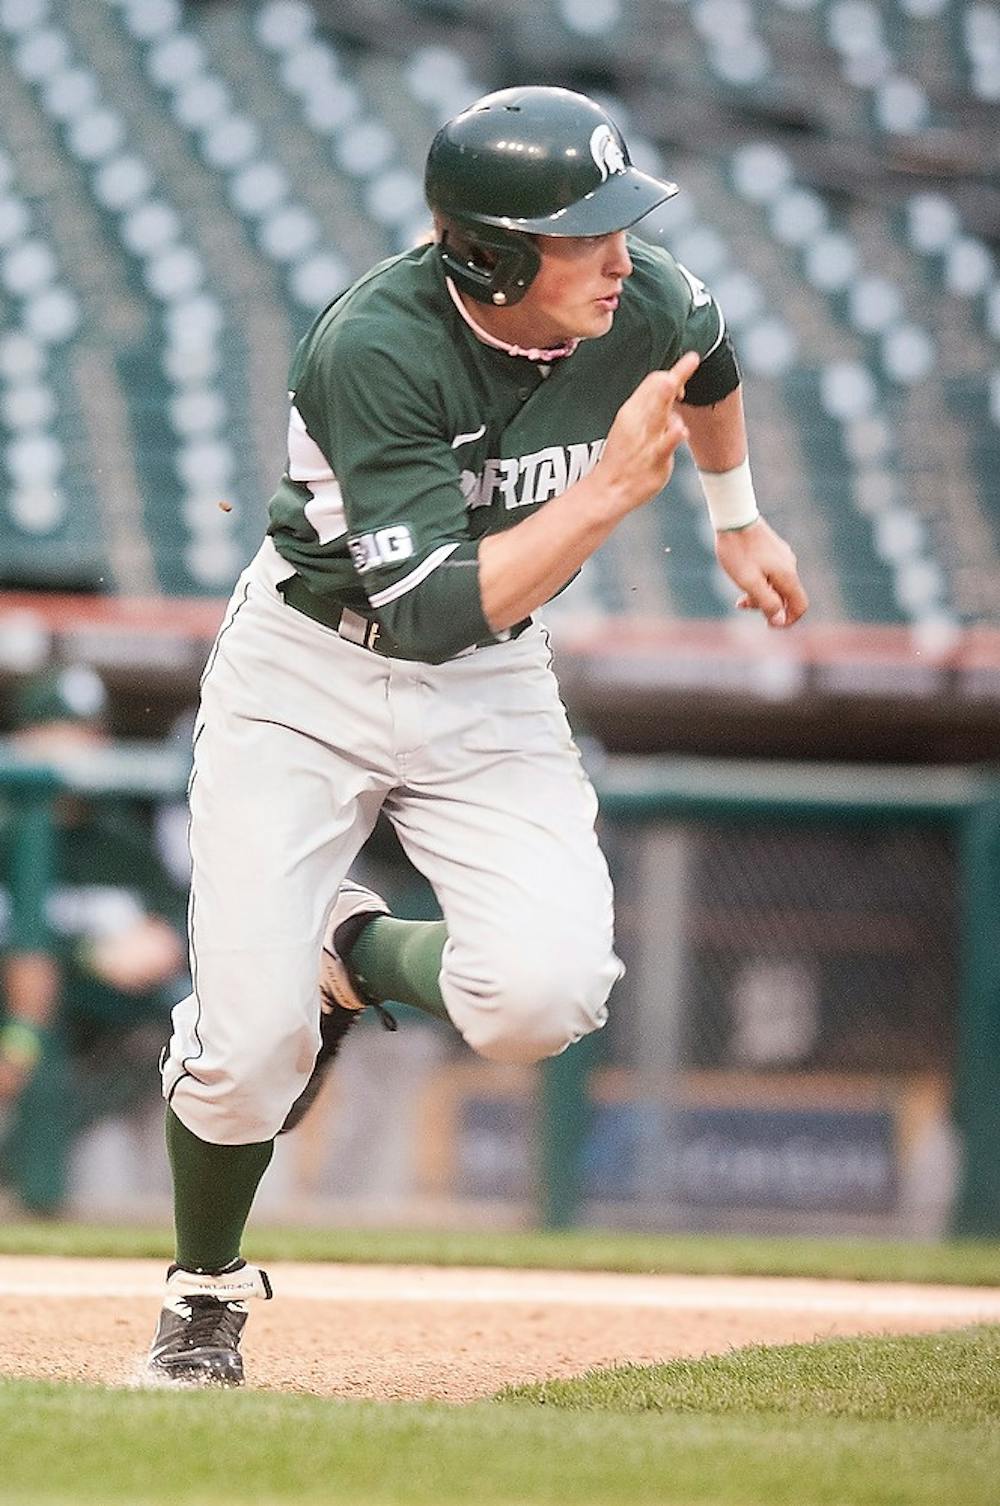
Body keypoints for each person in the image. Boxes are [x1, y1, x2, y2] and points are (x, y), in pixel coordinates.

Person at [147, 84, 807, 1385]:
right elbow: (437, 607)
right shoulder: (375, 345)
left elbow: (709, 361)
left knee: (543, 999)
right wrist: (618, 493)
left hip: (488, 681)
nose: (623, 257)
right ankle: (204, 1287)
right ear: (493, 254)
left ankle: (355, 952)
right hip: (309, 669)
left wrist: (735, 515)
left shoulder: (645, 295)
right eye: (585, 235)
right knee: (243, 1053)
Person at [0, 665, 188, 1215]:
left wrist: (164, 941)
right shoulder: (9, 829)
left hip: (108, 1039)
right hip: (21, 1030)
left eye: (90, 735)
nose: (81, 749)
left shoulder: (119, 834)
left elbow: (170, 921)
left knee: (179, 1034)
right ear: (25, 740)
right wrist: (84, 953)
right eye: (62, 732)